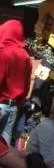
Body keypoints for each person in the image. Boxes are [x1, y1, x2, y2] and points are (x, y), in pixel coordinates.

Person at [0, 19, 32, 147]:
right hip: (13, 107)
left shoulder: (3, 53)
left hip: (1, 103)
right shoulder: (25, 56)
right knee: (5, 144)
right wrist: (19, 102)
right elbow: (26, 84)